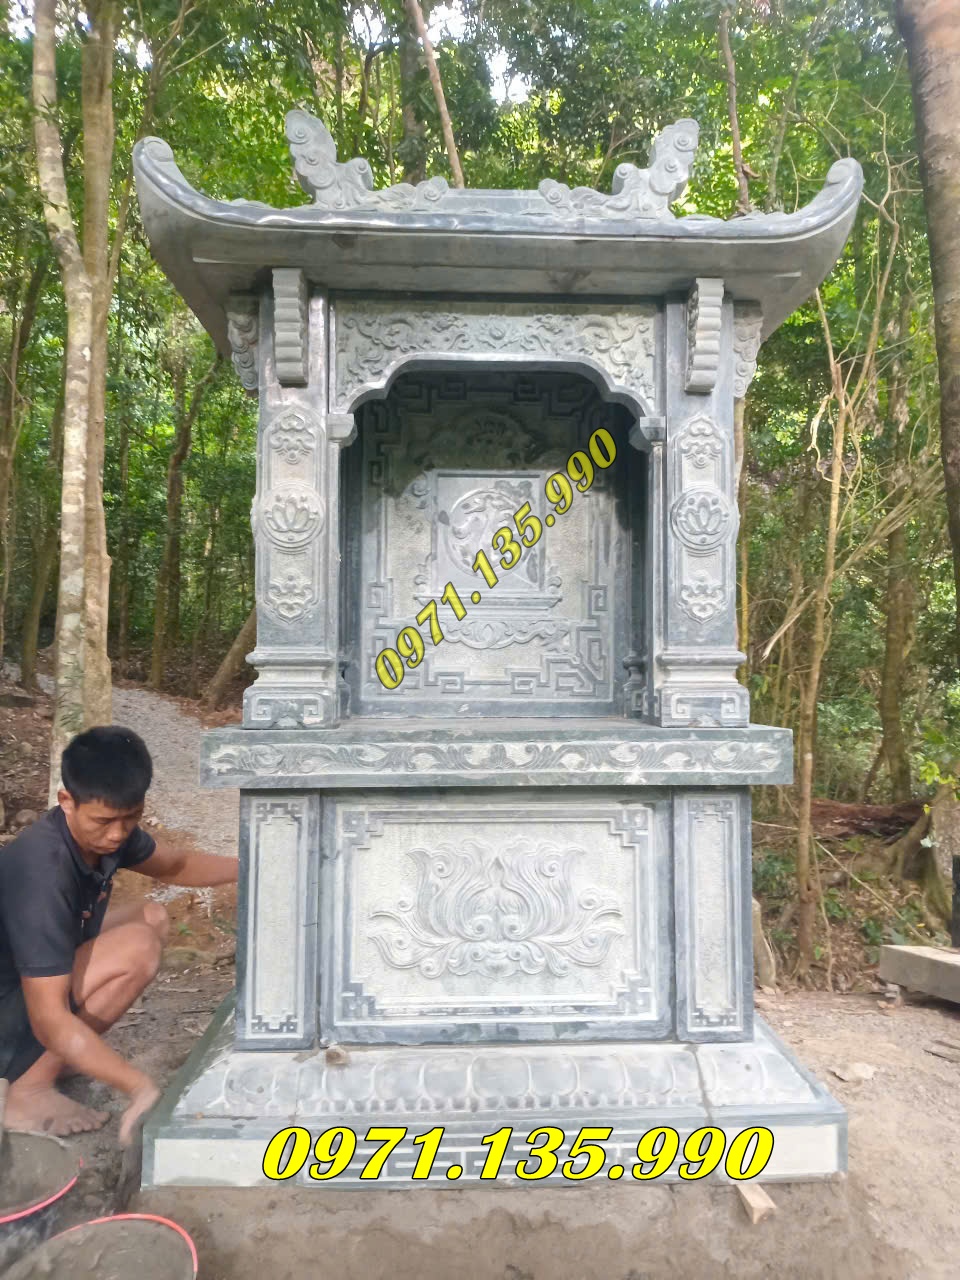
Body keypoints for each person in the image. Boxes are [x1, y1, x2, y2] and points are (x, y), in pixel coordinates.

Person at [0, 725, 238, 1144]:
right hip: (12, 1007)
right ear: (66, 801)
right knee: (137, 947)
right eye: (104, 821)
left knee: (150, 917)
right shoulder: (42, 872)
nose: (117, 833)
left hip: (24, 988)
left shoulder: (108, 834)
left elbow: (176, 865)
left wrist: (255, 864)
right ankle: (28, 1090)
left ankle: (59, 1059)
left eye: (131, 818)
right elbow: (48, 1016)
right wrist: (137, 1085)